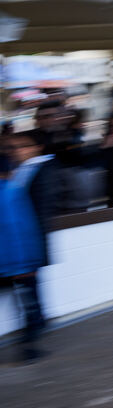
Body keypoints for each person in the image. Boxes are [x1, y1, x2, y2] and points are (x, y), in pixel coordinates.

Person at [0, 132, 58, 362]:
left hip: (15, 261)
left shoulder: (13, 189)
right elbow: (18, 228)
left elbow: (17, 228)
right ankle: (32, 341)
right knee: (28, 303)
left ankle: (32, 338)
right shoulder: (12, 190)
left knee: (27, 303)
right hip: (17, 262)